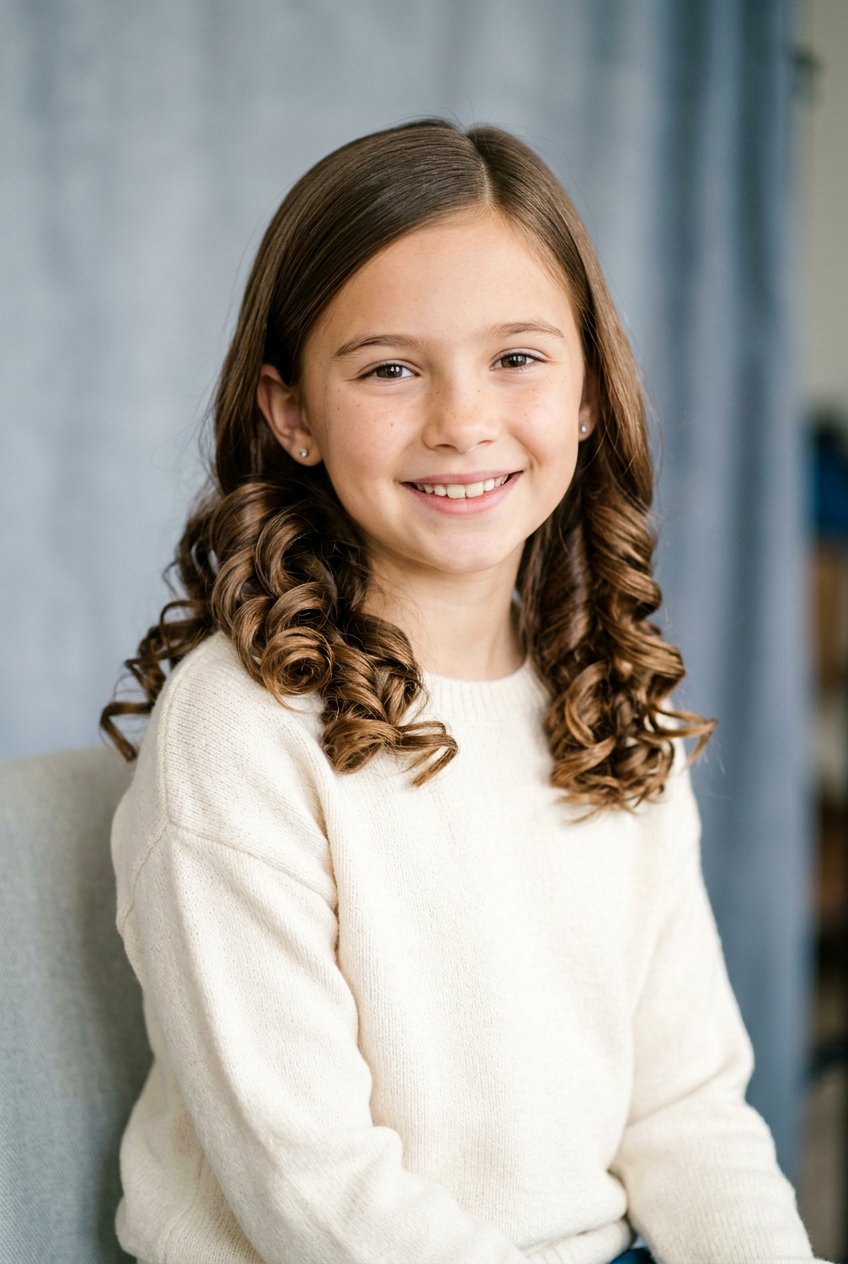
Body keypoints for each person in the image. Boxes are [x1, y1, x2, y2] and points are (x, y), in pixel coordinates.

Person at [101, 118, 823, 1264]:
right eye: (389, 367)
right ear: (291, 413)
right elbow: (315, 1194)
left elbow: (684, 1115)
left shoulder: (607, 702)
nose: (461, 421)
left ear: (587, 392)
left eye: (517, 358)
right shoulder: (238, 729)